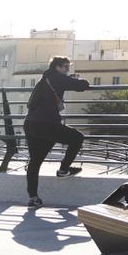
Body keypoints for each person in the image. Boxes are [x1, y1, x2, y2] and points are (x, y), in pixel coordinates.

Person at [23, 55, 91, 209]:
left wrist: (69, 79)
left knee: (35, 160)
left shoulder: (44, 79)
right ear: (58, 67)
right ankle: (63, 169)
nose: (67, 70)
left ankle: (33, 197)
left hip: (31, 123)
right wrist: (76, 79)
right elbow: (82, 86)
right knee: (77, 138)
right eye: (66, 67)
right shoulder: (57, 78)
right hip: (47, 124)